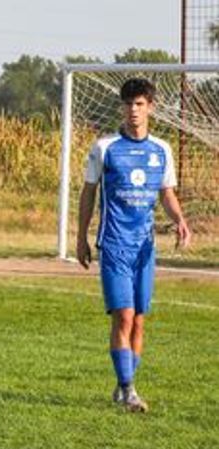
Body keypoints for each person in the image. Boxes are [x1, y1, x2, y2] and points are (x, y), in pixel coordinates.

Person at [76, 78, 190, 412]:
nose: (133, 111)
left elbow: (166, 193)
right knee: (123, 317)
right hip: (113, 245)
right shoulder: (105, 147)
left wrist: (179, 220)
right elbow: (88, 193)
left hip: (145, 248)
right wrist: (81, 237)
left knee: (139, 320)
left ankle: (124, 385)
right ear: (121, 108)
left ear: (150, 107)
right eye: (128, 104)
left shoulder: (161, 150)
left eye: (139, 104)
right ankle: (128, 390)